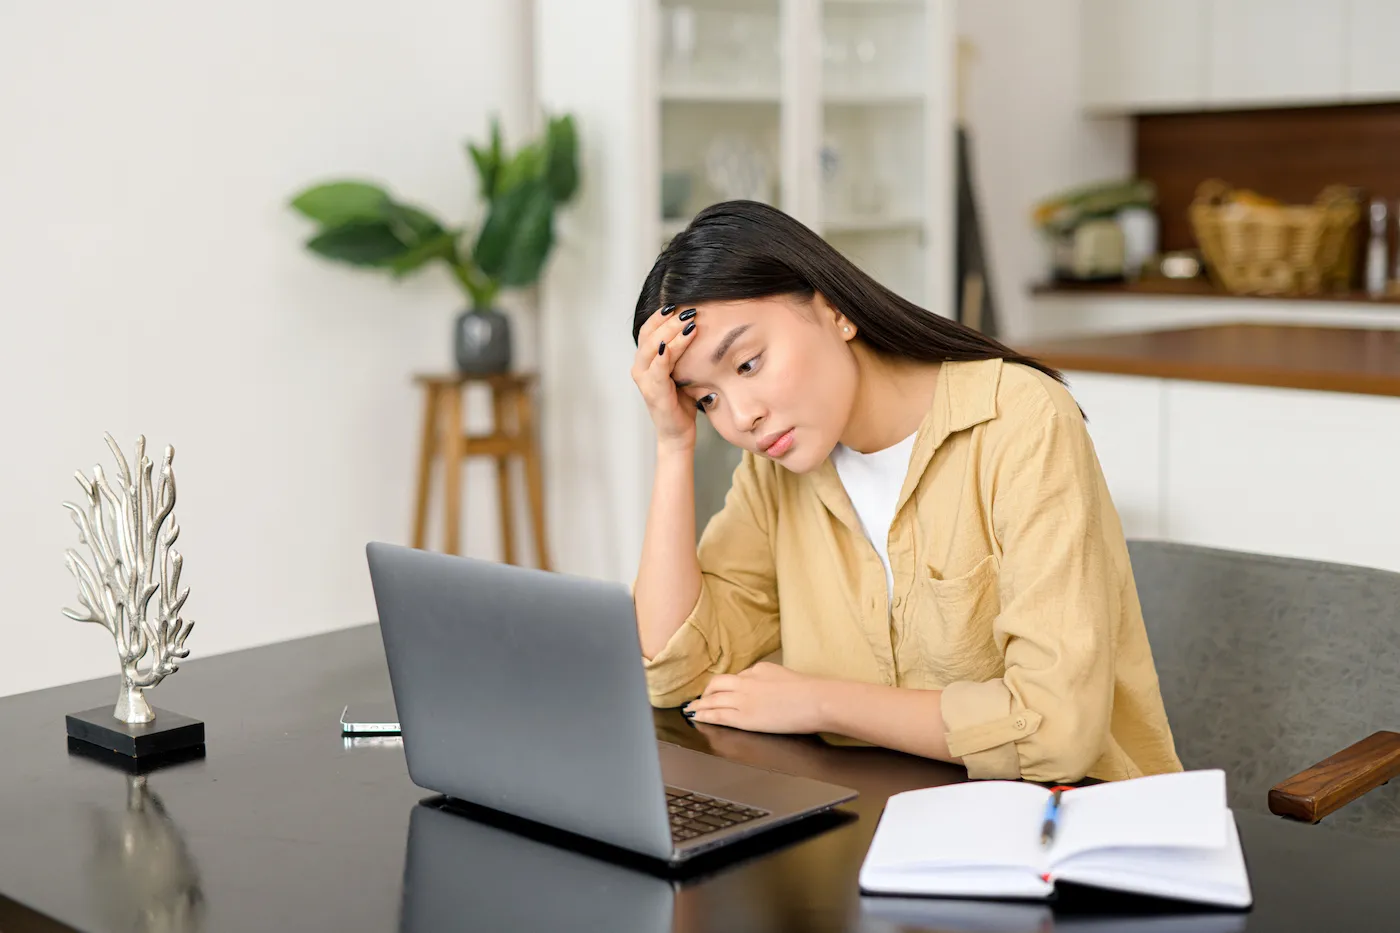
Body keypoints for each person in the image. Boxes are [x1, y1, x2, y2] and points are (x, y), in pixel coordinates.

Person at [628, 200, 1180, 784]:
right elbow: (673, 671)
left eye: (747, 363)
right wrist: (673, 445)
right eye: (705, 399)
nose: (742, 417)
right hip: (876, 817)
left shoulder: (1018, 420)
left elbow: (1055, 730)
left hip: (1065, 829)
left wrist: (821, 701)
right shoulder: (777, 469)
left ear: (833, 309)